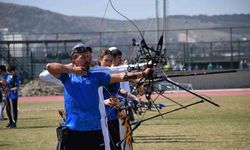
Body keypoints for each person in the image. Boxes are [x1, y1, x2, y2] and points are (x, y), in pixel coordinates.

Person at [47, 43, 152, 150]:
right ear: (74, 59)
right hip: (73, 130)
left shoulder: (96, 77)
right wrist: (73, 70)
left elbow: (120, 76)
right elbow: (49, 67)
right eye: (83, 57)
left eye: (88, 57)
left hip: (94, 130)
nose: (88, 60)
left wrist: (143, 73)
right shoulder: (67, 77)